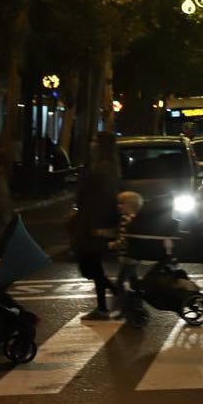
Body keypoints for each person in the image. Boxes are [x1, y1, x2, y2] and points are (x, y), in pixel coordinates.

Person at [72, 131, 120, 320]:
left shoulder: (105, 167)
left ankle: (106, 304)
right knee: (91, 265)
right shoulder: (92, 164)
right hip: (87, 220)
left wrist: (98, 225)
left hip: (93, 222)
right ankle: (113, 298)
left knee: (92, 264)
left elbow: (104, 199)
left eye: (94, 141)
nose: (91, 144)